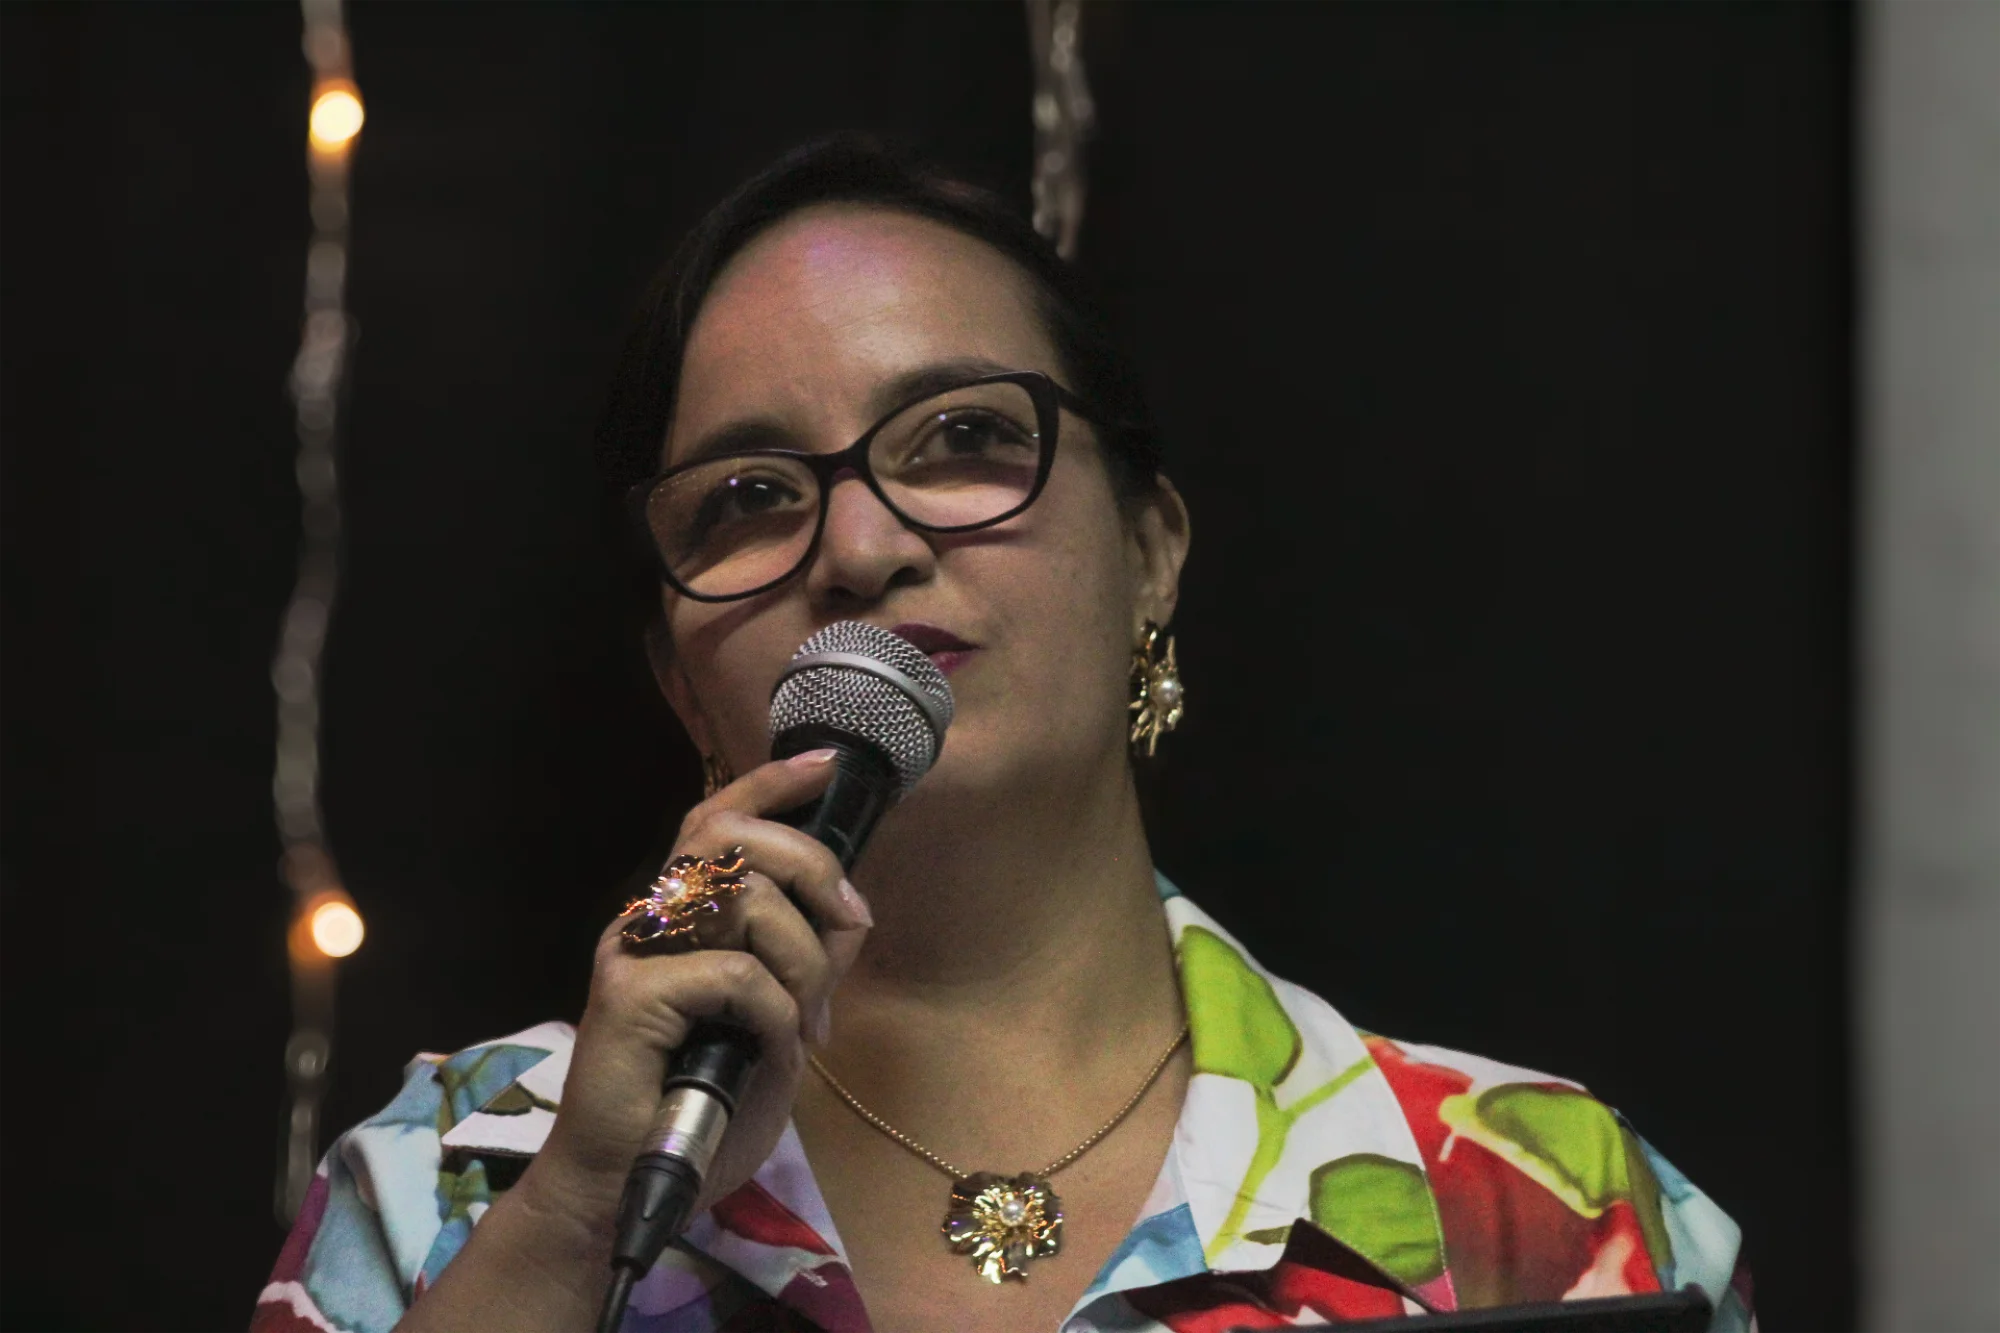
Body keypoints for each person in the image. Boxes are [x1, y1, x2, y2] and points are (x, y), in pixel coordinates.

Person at [252, 139, 1756, 1333]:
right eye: (750, 498)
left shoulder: (1541, 1204)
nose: (861, 546)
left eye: (963, 437)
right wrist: (584, 1210)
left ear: (1150, 553)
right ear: (679, 685)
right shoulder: (453, 1180)